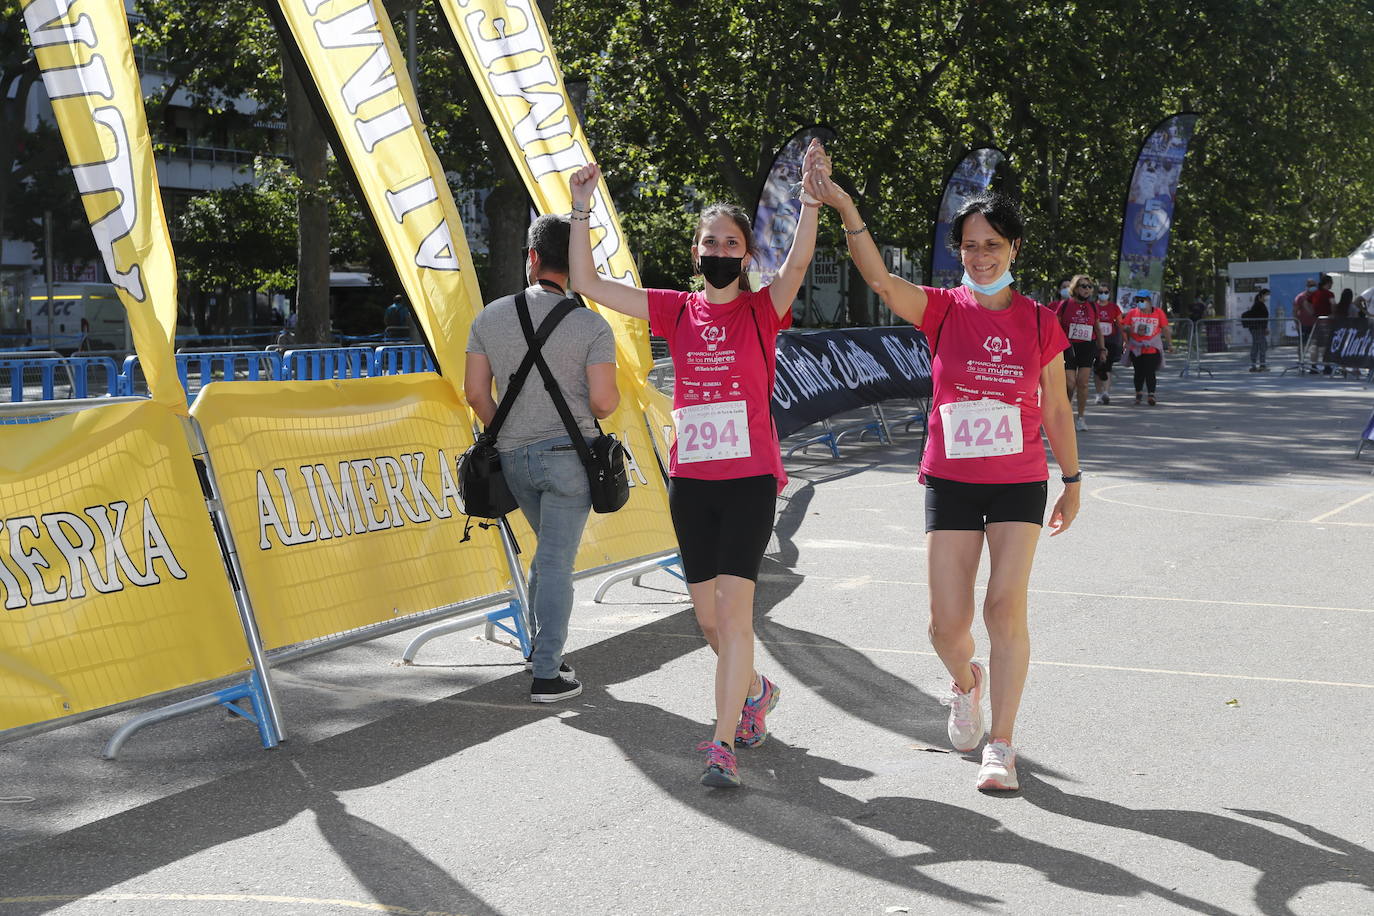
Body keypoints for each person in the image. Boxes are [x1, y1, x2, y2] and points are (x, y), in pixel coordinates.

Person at [806, 159, 1080, 793]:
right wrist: (847, 209)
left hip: (1017, 479)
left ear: (1014, 248)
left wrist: (1072, 479)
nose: (981, 256)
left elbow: (1058, 408)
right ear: (958, 252)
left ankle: (1002, 746)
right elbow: (876, 276)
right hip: (952, 481)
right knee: (945, 627)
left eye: (992, 245)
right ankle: (966, 683)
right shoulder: (942, 310)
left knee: (1003, 606)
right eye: (970, 246)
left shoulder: (1041, 321)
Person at [567, 147, 821, 789]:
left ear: (745, 255)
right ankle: (756, 691)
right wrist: (579, 209)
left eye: (731, 242)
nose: (720, 250)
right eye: (709, 241)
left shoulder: (763, 312)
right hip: (692, 483)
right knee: (708, 621)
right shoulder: (676, 310)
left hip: (749, 482)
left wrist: (811, 199)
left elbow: (797, 262)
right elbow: (590, 285)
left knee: (735, 618)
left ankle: (721, 744)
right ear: (695, 252)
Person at [464, 215, 620, 703]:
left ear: (531, 258)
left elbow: (474, 393)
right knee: (555, 561)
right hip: (569, 459)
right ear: (572, 266)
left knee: (544, 557)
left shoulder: (489, 316)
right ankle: (548, 674)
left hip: (513, 459)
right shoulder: (591, 324)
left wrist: (508, 430)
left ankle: (540, 651)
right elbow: (604, 403)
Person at [1054, 275, 1107, 429]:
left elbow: (1098, 329)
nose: (1087, 289)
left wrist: (1102, 349)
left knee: (1082, 383)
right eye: (1083, 286)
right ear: (1075, 288)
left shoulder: (1093, 307)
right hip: (1067, 347)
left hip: (1087, 346)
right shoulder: (1064, 306)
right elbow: (1054, 328)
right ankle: (1066, 411)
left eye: (1089, 286)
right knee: (1069, 384)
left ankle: (1081, 418)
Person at [1121, 291, 1172, 405]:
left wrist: (1170, 344)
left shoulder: (1158, 312)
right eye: (1137, 301)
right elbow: (1125, 327)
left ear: (1149, 301)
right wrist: (1129, 331)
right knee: (1138, 372)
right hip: (1136, 348)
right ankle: (1138, 393)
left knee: (1150, 371)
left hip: (1152, 348)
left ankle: (1151, 395)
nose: (1139, 303)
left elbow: (1165, 329)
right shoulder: (1132, 313)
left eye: (1142, 300)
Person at [1093, 282, 1123, 403]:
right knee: (1097, 367)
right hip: (1095, 340)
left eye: (1106, 292)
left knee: (1107, 366)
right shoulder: (1093, 306)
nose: (1103, 294)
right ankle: (1098, 393)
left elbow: (1120, 324)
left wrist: (1124, 341)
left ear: (1109, 294)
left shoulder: (1114, 308)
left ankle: (1106, 392)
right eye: (1101, 292)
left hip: (1110, 340)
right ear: (1097, 294)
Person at [1308, 276, 1336, 373]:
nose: (1332, 285)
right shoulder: (1329, 294)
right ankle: (1327, 366)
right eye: (1331, 283)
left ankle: (1313, 366)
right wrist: (1333, 314)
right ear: (1328, 283)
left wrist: (1311, 313)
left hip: (1316, 321)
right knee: (1325, 345)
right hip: (1326, 322)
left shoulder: (1315, 294)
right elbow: (1333, 305)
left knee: (1314, 345)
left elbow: (1307, 303)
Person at [1241, 288, 1270, 371]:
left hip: (1258, 328)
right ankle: (1260, 365)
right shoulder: (1258, 305)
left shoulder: (1259, 305)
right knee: (1260, 345)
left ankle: (1257, 365)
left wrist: (1265, 328)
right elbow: (1260, 318)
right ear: (1261, 296)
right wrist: (1264, 328)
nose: (1267, 297)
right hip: (1257, 329)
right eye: (1266, 295)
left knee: (1259, 345)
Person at [1293, 278, 1317, 371]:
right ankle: (1301, 363)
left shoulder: (1317, 296)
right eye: (1311, 285)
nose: (1313, 287)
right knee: (1302, 345)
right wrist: (1296, 323)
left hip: (1315, 324)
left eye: (1314, 285)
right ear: (1307, 286)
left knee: (1314, 346)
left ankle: (1313, 366)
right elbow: (1295, 310)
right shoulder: (1300, 297)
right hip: (1303, 324)